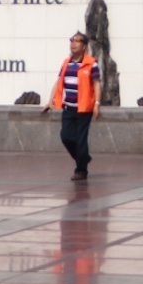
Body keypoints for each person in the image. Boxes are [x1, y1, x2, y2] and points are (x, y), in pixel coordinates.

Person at [47, 32, 101, 180]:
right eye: (72, 40)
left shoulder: (91, 63)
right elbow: (59, 82)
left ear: (84, 46)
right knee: (66, 137)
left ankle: (81, 170)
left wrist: (97, 103)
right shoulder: (66, 63)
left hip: (84, 108)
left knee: (81, 139)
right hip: (69, 107)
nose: (73, 44)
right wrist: (51, 100)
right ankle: (83, 158)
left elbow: (97, 84)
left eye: (77, 41)